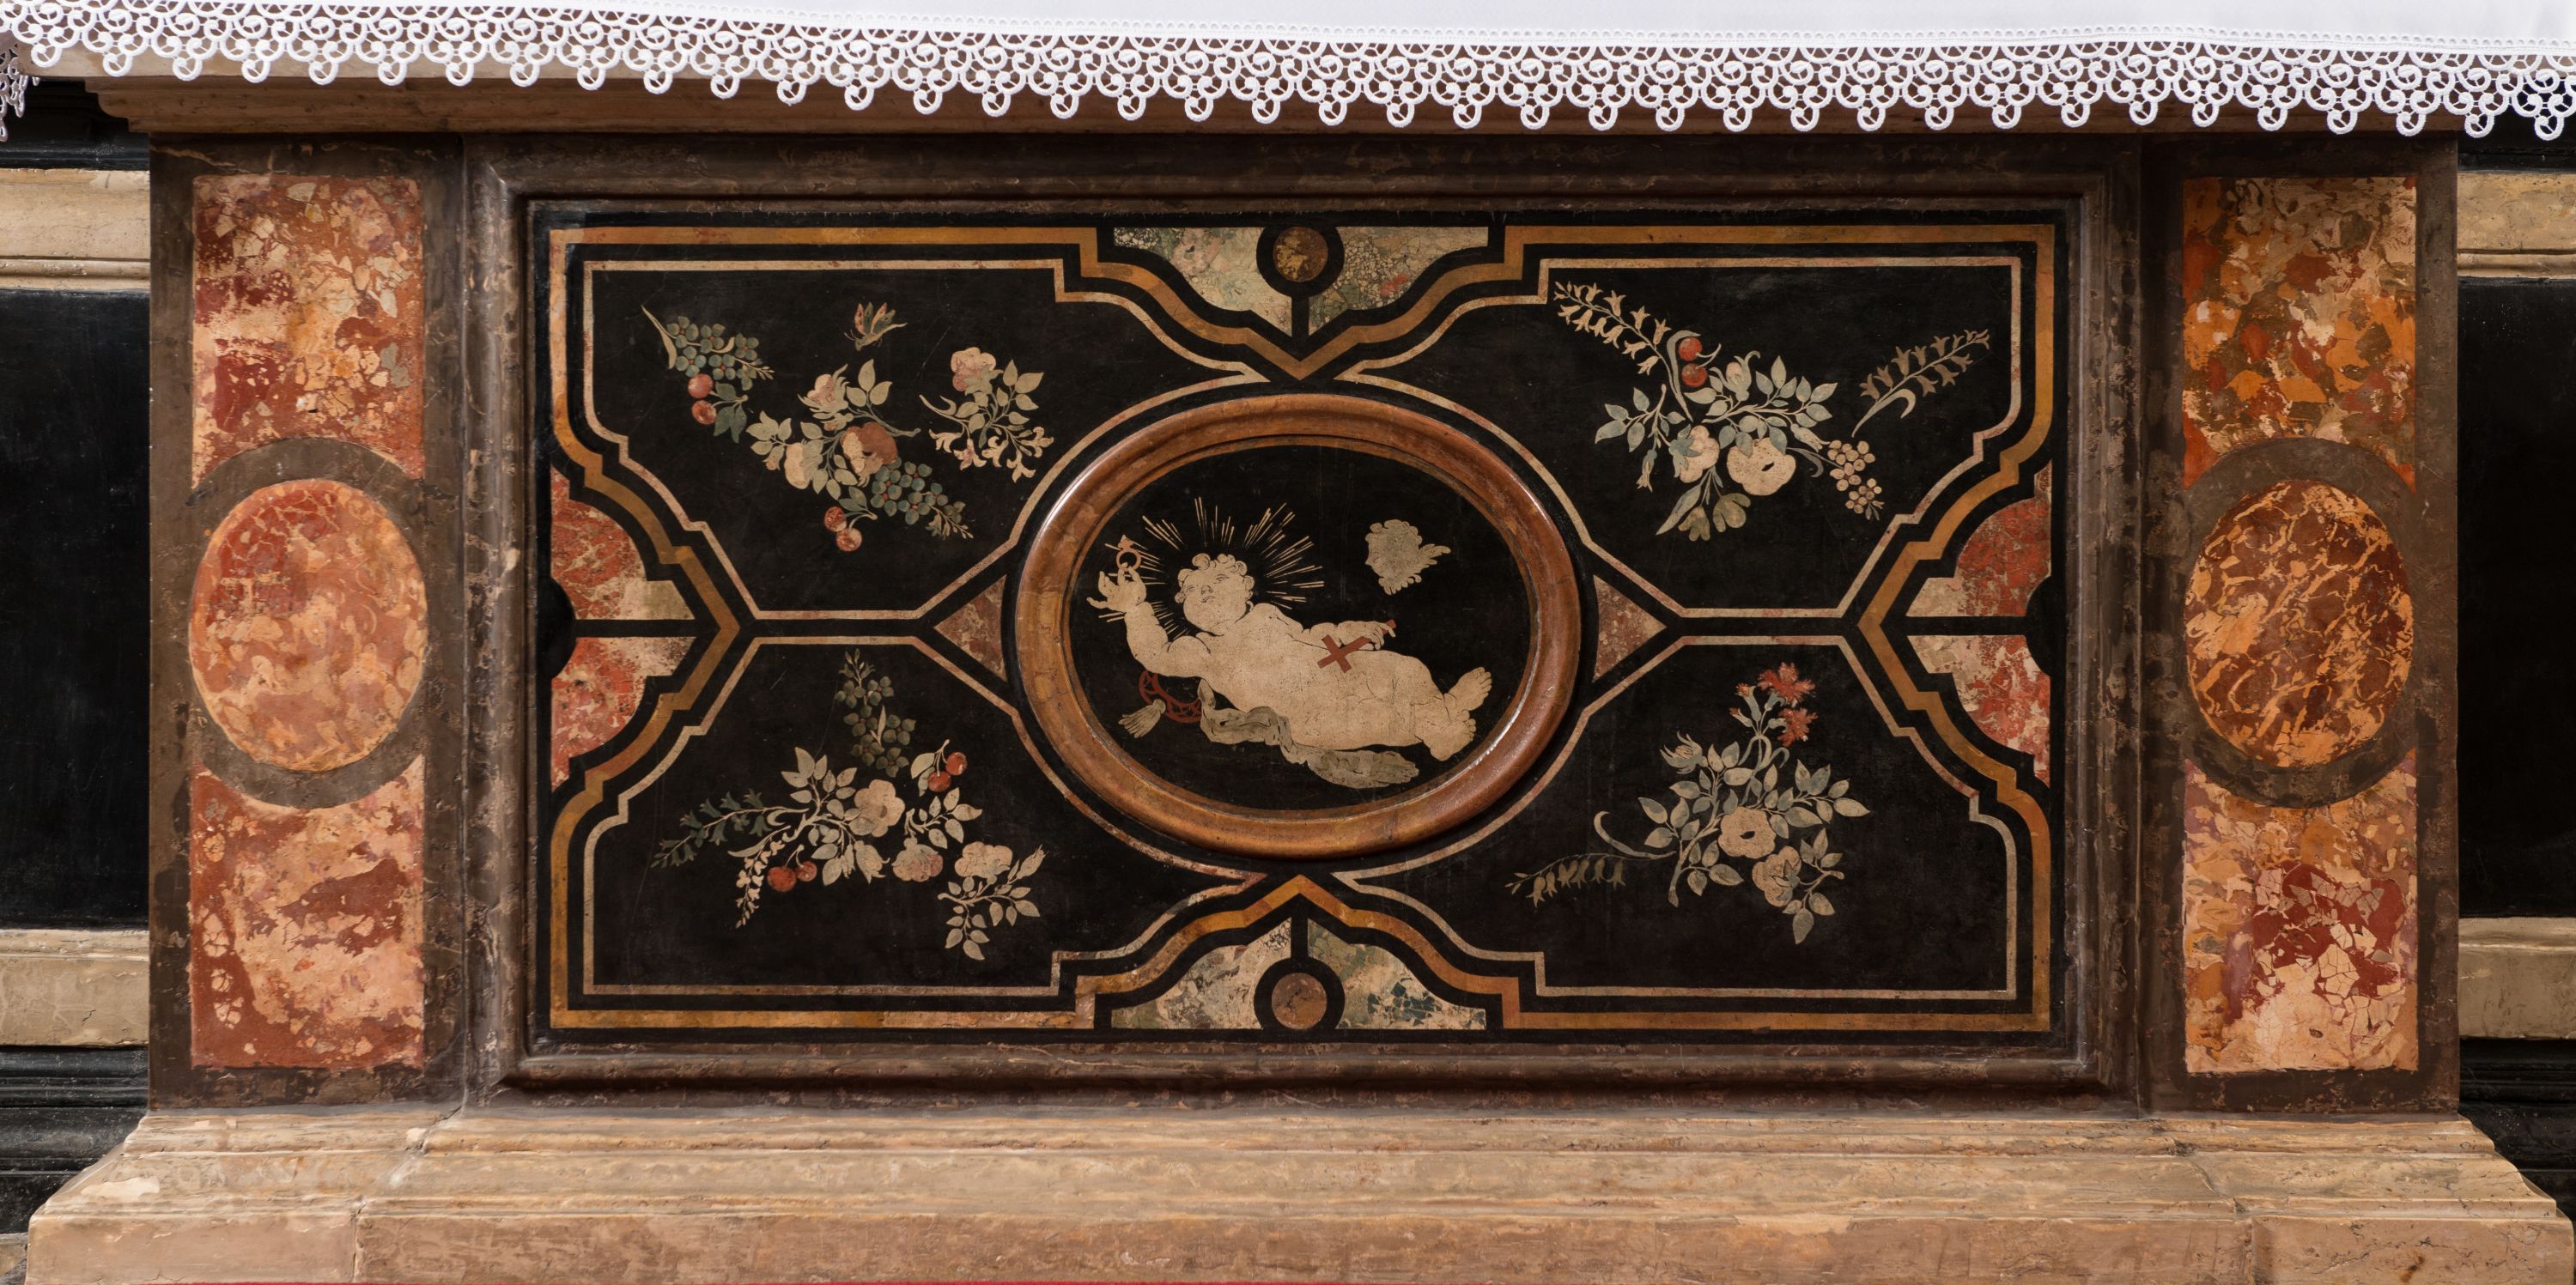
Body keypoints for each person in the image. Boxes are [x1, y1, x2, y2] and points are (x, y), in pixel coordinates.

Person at [1090, 552, 1492, 761]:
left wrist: (1353, 631)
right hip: (1302, 715)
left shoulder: (1266, 615)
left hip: (1335, 675)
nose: (1206, 592)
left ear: (1245, 589)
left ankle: (1439, 714)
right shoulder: (1203, 650)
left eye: (1217, 582)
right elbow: (1156, 655)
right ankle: (1442, 719)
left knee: (1404, 668)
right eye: (1194, 592)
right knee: (1373, 719)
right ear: (1186, 608)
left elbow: (1311, 637)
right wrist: (1135, 608)